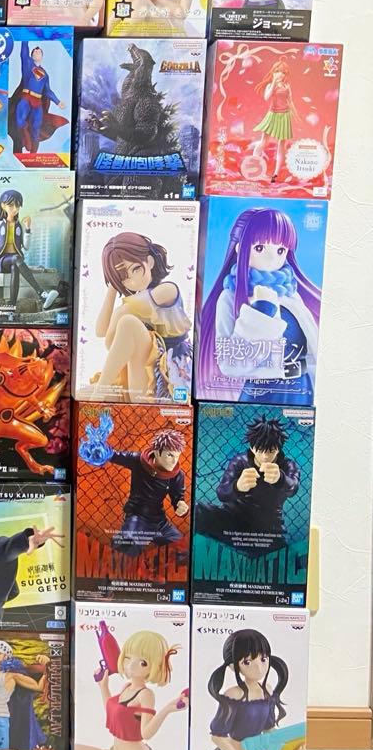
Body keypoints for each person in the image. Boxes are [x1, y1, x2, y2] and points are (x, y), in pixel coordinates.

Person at [197, 207, 320, 405]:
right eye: (260, 248)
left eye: (280, 250)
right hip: (261, 392)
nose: (271, 259)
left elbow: (312, 350)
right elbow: (230, 364)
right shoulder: (229, 297)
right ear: (240, 249)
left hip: (301, 388)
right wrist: (263, 308)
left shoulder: (291, 295)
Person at [74, 629, 187, 750]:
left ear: (154, 667)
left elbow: (146, 733)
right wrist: (103, 686)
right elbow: (113, 714)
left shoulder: (145, 694)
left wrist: (167, 709)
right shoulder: (126, 687)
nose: (131, 665)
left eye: (142, 662)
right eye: (128, 657)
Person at [197, 629, 303, 750]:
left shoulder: (267, 691)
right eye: (247, 662)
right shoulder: (234, 695)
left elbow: (269, 730)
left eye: (263, 659)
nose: (258, 667)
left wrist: (290, 745)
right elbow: (217, 737)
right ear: (234, 666)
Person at [90, 232, 192, 402]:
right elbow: (101, 332)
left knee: (128, 322)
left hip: (168, 379)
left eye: (136, 269)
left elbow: (112, 335)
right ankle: (101, 392)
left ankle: (100, 393)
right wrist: (113, 287)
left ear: (150, 261)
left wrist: (119, 287)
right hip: (139, 377)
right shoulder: (133, 304)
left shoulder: (167, 290)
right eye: (124, 277)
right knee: (83, 392)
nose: (133, 280)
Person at [79, 419, 189, 557]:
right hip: (137, 517)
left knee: (184, 550)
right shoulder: (138, 460)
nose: (174, 461)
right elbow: (115, 456)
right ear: (156, 452)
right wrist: (100, 451)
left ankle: (156, 566)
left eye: (177, 456)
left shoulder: (177, 475)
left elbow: (178, 497)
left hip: (160, 522)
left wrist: (181, 505)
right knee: (125, 547)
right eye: (170, 455)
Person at [194, 417, 300, 554]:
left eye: (271, 451)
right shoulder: (240, 461)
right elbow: (221, 493)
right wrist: (237, 487)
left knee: (288, 559)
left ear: (279, 449)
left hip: (268, 528)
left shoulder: (288, 465)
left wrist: (281, 479)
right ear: (252, 447)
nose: (265, 457)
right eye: (260, 450)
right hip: (233, 519)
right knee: (197, 511)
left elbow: (293, 488)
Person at [0, 190, 59, 312]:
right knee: (17, 258)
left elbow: (26, 246)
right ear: (3, 206)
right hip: (1, 261)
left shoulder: (19, 226)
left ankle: (12, 305)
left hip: (14, 261)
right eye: (11, 205)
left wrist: (28, 229)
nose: (15, 209)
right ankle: (41, 293)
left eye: (17, 205)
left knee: (15, 266)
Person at [10, 42, 67, 153]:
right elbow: (24, 52)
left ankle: (33, 154)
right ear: (31, 55)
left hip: (37, 103)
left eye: (39, 52)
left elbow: (47, 91)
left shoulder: (45, 74)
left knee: (36, 128)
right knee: (20, 121)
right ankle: (26, 136)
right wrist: (24, 40)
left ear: (42, 56)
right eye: (35, 52)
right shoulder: (28, 65)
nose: (37, 52)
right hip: (26, 98)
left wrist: (58, 102)